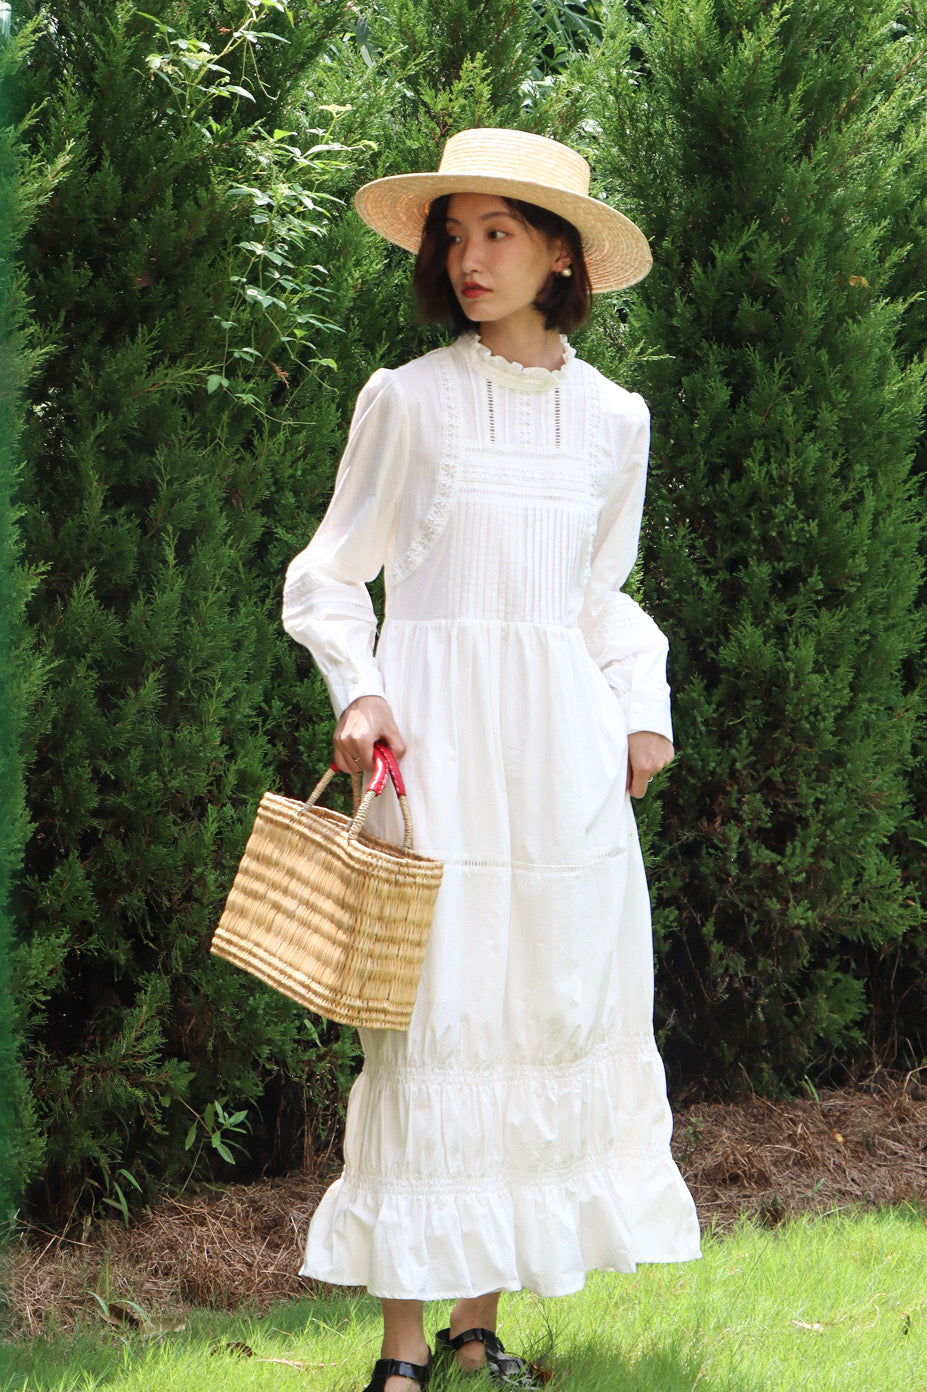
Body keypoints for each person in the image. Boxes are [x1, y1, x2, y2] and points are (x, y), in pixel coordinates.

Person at [282, 128, 701, 1392]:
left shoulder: (613, 419)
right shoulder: (405, 400)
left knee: (543, 1013)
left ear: (560, 253)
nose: (469, 258)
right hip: (443, 759)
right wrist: (358, 693)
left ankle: (477, 1326)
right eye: (453, 235)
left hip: (564, 765)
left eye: (498, 233)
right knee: (433, 1029)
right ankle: (402, 1355)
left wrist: (641, 708)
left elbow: (597, 597)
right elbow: (327, 575)